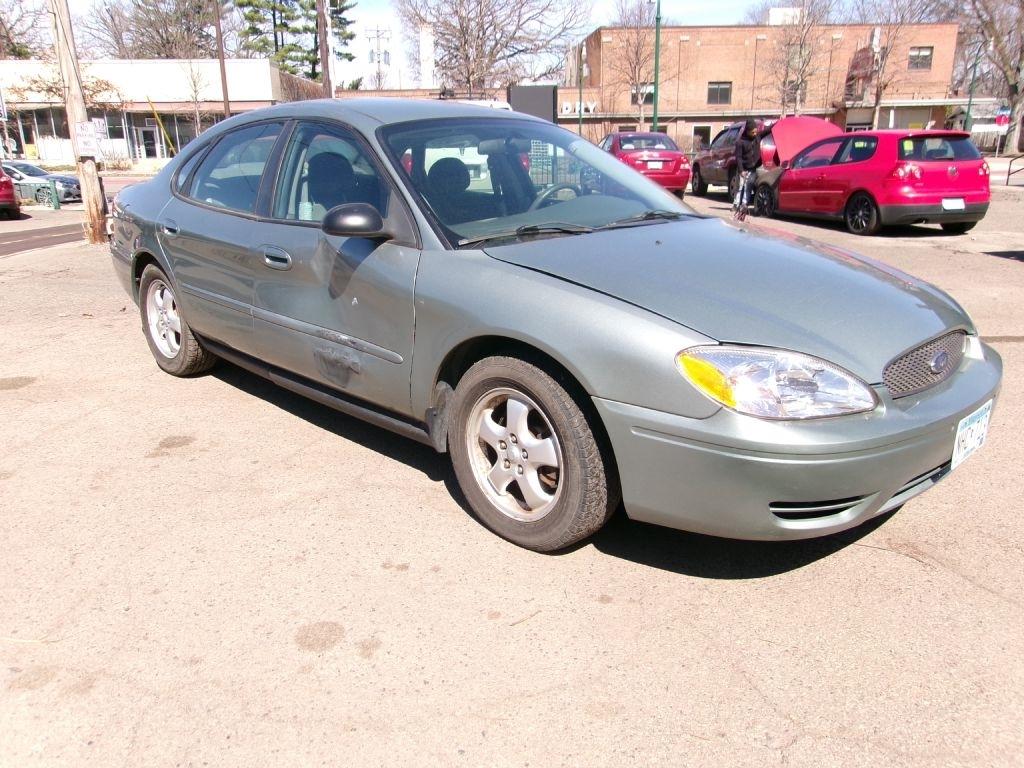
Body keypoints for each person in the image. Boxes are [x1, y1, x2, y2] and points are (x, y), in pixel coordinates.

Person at [733, 119, 769, 221]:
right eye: (752, 132)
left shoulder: (757, 137)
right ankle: (736, 204)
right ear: (747, 131)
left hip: (753, 167)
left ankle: (744, 204)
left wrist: (778, 123)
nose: (754, 133)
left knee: (748, 186)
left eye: (755, 131)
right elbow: (738, 157)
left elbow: (767, 131)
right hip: (743, 168)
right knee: (740, 187)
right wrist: (741, 170)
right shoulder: (740, 142)